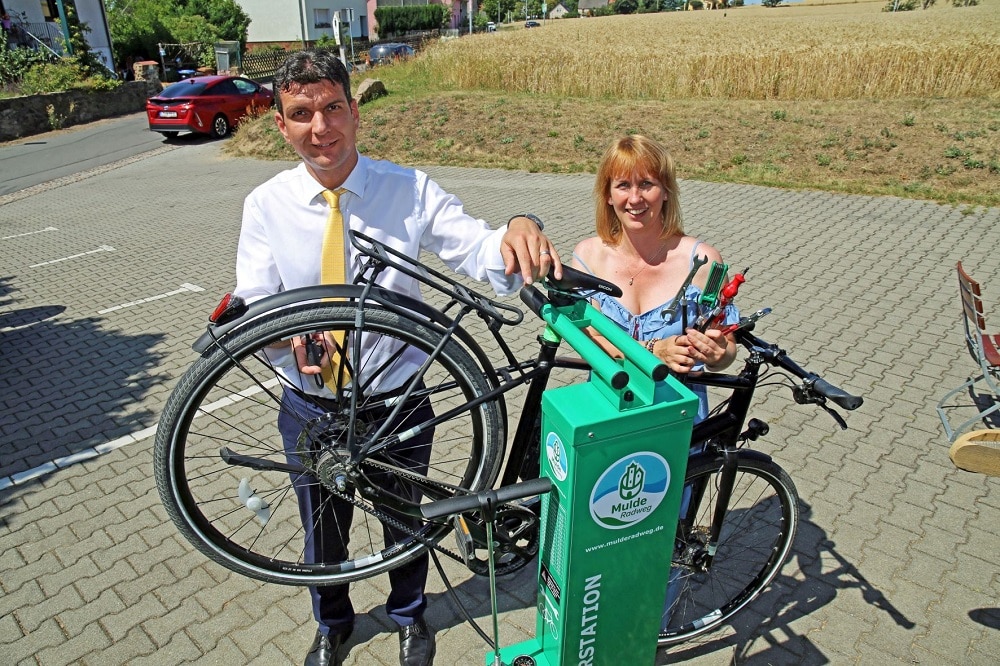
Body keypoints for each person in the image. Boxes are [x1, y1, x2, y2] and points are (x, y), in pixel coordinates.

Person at [233, 48, 561, 666]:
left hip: (395, 399)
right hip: (311, 403)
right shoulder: (265, 205)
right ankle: (333, 623)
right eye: (301, 113)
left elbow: (477, 249)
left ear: (355, 113)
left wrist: (521, 223)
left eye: (332, 108)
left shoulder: (407, 190)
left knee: (405, 520)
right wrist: (284, 337)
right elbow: (256, 305)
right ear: (280, 124)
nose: (319, 127)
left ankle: (412, 617)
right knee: (320, 531)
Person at [571, 134, 738, 421]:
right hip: (607, 415)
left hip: (677, 420)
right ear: (608, 196)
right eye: (623, 185)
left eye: (646, 184)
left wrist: (717, 354)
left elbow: (727, 347)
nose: (634, 198)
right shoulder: (589, 257)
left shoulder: (704, 261)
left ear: (666, 191)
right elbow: (587, 341)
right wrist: (653, 351)